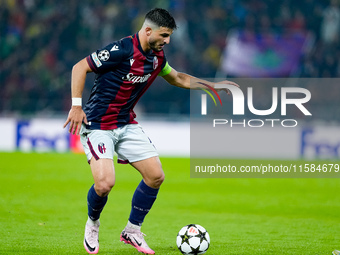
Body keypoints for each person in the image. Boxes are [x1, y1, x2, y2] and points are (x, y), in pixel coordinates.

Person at [63, 8, 238, 255]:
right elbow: (79, 67)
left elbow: (177, 78)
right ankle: (93, 223)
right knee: (105, 184)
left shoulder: (157, 58)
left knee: (156, 175)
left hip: (126, 123)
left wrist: (213, 86)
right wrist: (77, 106)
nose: (167, 41)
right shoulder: (121, 50)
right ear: (148, 31)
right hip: (98, 125)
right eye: (164, 35)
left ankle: (132, 230)